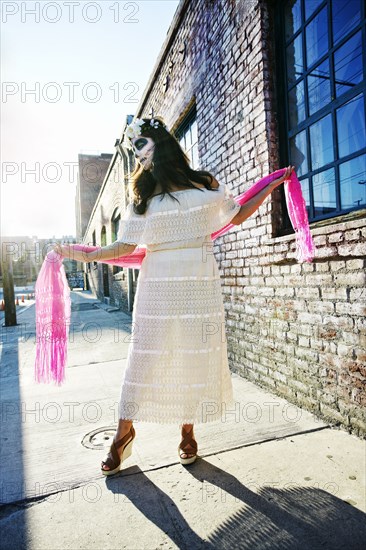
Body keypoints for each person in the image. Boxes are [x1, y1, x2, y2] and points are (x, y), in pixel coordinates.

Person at [55, 116, 294, 476]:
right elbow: (125, 245)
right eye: (134, 151)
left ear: (161, 145)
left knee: (192, 354)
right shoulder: (141, 195)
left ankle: (187, 432)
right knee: (143, 356)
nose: (138, 158)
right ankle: (122, 434)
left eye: (140, 147)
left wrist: (273, 184)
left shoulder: (205, 182)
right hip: (157, 284)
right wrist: (85, 254)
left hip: (199, 280)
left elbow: (238, 214)